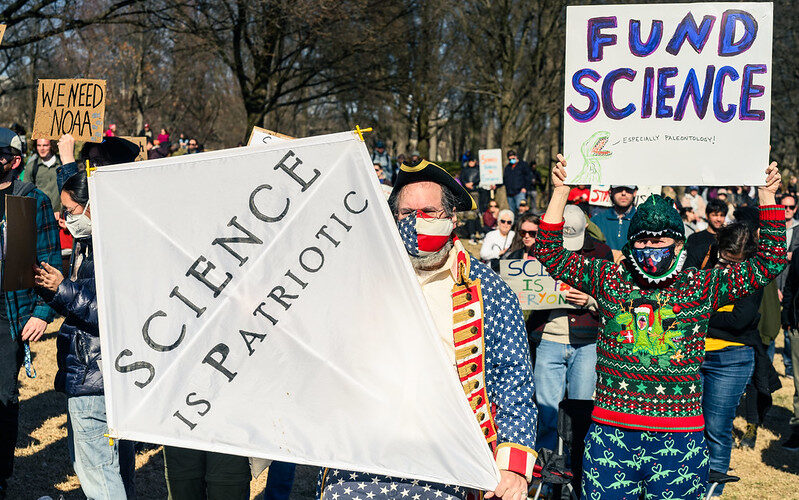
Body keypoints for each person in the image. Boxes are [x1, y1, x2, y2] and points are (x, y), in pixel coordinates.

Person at [535, 154, 785, 499]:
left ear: (679, 244)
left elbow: (770, 259)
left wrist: (767, 195)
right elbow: (549, 251)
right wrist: (561, 191)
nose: (650, 247)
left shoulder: (700, 286)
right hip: (611, 436)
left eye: (659, 241)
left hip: (679, 439)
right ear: (630, 244)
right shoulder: (611, 278)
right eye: (642, 241)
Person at [319, 159, 537, 500]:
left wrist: (512, 467)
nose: (417, 221)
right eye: (407, 214)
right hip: (362, 455)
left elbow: (513, 383)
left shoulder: (491, 292)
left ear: (451, 219)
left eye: (429, 211)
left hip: (448, 457)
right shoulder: (359, 281)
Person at [34, 135, 141, 499]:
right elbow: (77, 192)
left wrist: (61, 287)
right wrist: (66, 157)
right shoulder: (99, 234)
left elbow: (105, 310)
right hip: (102, 370)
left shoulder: (114, 243)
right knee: (108, 465)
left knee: (97, 469)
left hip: (95, 372)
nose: (64, 221)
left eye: (70, 213)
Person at [0, 128, 61, 499]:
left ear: (14, 161)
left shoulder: (31, 200)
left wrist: (41, 312)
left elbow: (50, 261)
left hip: (9, 314)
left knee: (3, 396)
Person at [526, 205, 611, 455]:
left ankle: (576, 466)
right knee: (546, 411)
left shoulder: (601, 253)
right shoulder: (539, 251)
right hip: (548, 339)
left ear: (587, 228)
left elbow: (614, 299)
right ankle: (545, 469)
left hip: (586, 342)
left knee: (580, 412)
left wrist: (590, 301)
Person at [701, 222, 764, 496]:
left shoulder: (754, 274)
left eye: (736, 262)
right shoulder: (706, 262)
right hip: (695, 353)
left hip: (731, 358)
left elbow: (740, 320)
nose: (729, 267)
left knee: (717, 425)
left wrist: (703, 317)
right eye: (725, 259)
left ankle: (712, 490)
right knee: (689, 423)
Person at [589, 185, 637, 254]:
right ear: (611, 191)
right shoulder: (596, 220)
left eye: (628, 189)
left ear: (635, 192)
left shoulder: (643, 221)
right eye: (619, 189)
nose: (623, 193)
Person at [684, 198, 728, 270]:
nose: (719, 219)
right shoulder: (694, 238)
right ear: (707, 216)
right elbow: (689, 267)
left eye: (722, 215)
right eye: (715, 215)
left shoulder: (727, 238)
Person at [24, 138, 62, 211]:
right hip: (40, 212)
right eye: (39, 145)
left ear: (51, 146)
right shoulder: (31, 167)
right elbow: (26, 193)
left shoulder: (61, 164)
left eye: (45, 145)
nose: (42, 148)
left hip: (60, 214)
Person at [503, 150, 533, 215]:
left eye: (513, 158)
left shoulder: (523, 165)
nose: (511, 160)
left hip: (520, 192)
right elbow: (504, 179)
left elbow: (528, 177)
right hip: (510, 194)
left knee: (521, 210)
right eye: (510, 159)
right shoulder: (507, 167)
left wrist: (525, 188)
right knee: (512, 212)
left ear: (516, 157)